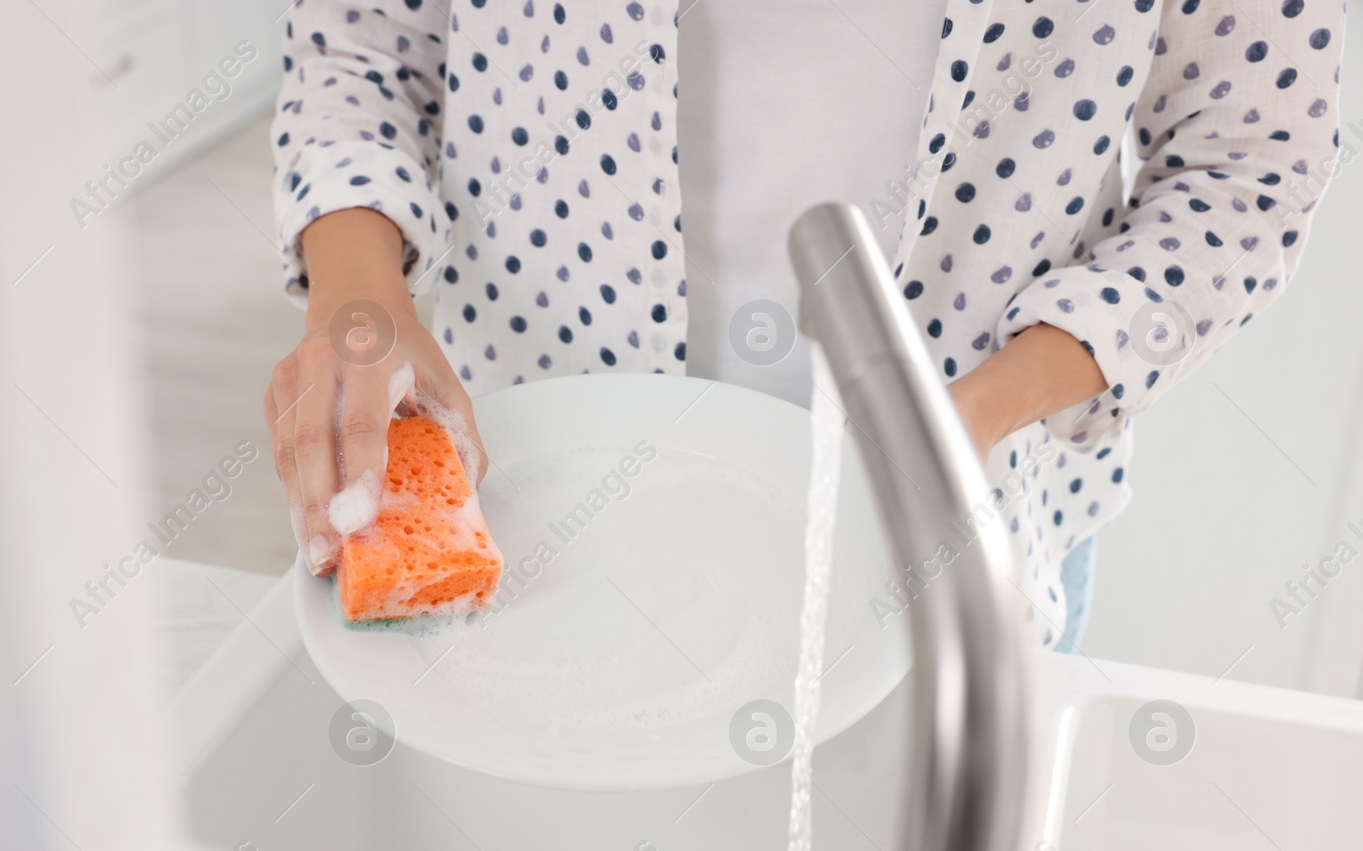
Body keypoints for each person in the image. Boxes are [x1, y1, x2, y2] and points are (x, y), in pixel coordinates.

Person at [266, 0, 1343, 650]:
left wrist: (978, 411)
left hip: (955, 517)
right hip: (531, 487)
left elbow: (1248, 163)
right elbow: (357, 47)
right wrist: (362, 300)